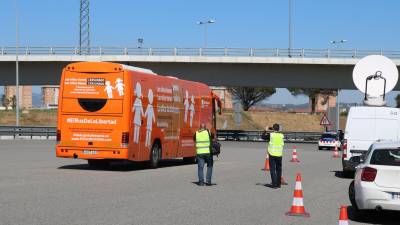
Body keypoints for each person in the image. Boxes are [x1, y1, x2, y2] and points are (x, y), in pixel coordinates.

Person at [263, 123, 285, 189]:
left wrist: (265, 130)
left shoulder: (271, 135)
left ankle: (274, 184)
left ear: (273, 128)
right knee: (279, 170)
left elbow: (263, 137)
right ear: (279, 128)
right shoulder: (281, 135)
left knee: (272, 169)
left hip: (272, 154)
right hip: (279, 154)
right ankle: (278, 184)